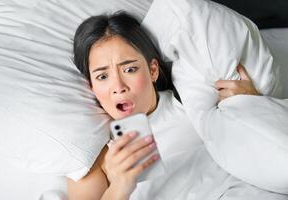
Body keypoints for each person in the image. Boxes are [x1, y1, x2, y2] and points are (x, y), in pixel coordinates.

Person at [69, 11, 286, 200]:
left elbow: (263, 142)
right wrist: (120, 187)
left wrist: (254, 105)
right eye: (103, 76)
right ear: (91, 86)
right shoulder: (92, 159)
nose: (118, 87)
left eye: (129, 69)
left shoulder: (193, 101)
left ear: (153, 70)